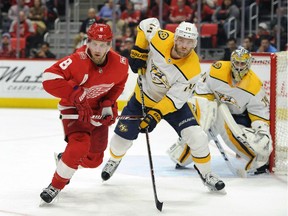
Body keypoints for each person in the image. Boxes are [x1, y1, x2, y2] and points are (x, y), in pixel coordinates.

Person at [101, 17, 226, 192]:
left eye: (189, 42)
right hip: (142, 97)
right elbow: (147, 24)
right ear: (175, 38)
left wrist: (154, 114)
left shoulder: (192, 69)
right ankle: (114, 160)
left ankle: (207, 175)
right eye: (181, 39)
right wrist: (140, 49)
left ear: (194, 44)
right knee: (120, 141)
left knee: (197, 137)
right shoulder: (161, 38)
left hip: (173, 105)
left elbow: (174, 100)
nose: (183, 45)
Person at [39, 23, 130, 204]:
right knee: (79, 145)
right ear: (88, 41)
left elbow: (118, 85)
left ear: (110, 45)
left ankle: (64, 160)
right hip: (74, 109)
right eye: (95, 43)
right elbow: (48, 78)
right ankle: (55, 185)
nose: (98, 49)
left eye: (103, 44)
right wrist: (75, 94)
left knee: (95, 160)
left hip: (95, 112)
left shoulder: (120, 64)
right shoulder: (77, 60)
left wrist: (107, 105)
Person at [168, 47, 273, 174]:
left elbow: (259, 113)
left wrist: (262, 131)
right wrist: (208, 107)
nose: (239, 67)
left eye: (242, 63)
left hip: (238, 117)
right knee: (201, 130)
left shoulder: (255, 85)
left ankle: (257, 160)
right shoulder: (217, 69)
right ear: (231, 61)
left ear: (248, 64)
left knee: (232, 132)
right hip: (212, 109)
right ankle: (182, 157)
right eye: (237, 63)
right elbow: (201, 90)